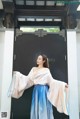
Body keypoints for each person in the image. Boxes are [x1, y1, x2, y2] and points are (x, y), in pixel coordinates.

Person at [8, 54, 69, 119]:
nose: (37, 60)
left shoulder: (46, 70)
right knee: (36, 107)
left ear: (44, 61)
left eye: (39, 59)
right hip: (36, 90)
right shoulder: (34, 69)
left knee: (43, 108)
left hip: (44, 90)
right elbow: (28, 79)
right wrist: (18, 75)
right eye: (37, 59)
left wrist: (63, 84)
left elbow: (52, 82)